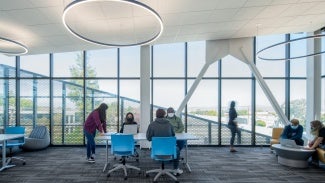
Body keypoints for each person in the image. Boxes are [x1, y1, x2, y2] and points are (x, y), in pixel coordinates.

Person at [146, 108, 183, 176]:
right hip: (169, 150)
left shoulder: (151, 125)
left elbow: (148, 138)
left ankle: (163, 164)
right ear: (164, 115)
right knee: (177, 149)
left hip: (157, 150)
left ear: (156, 115)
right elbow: (173, 135)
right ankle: (175, 169)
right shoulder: (169, 124)